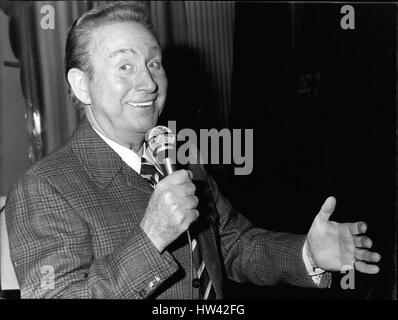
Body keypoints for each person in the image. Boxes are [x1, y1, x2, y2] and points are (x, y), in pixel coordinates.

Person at [5, 2, 381, 299]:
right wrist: (151, 237)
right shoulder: (43, 188)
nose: (149, 83)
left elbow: (235, 246)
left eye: (154, 63)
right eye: (125, 65)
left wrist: (309, 254)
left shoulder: (180, 162)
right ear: (82, 85)